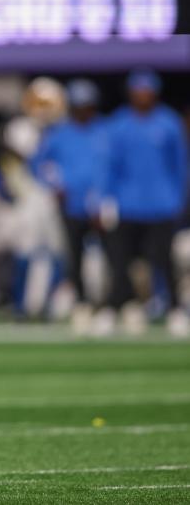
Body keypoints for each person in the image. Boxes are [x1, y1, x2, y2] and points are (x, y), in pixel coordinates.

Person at [99, 69, 189, 336]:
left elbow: (179, 165)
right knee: (120, 261)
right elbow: (109, 166)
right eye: (139, 91)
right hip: (127, 204)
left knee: (164, 261)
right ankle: (114, 308)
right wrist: (106, 200)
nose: (143, 96)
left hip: (161, 204)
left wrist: (178, 199)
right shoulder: (119, 124)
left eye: (147, 91)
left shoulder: (169, 123)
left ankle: (175, 310)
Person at [33, 79, 109, 320]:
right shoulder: (59, 134)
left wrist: (108, 198)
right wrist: (55, 185)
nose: (82, 112)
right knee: (74, 256)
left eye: (86, 106)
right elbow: (39, 165)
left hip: (103, 206)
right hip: (71, 205)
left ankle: (110, 303)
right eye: (78, 106)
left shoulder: (106, 131)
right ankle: (81, 302)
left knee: (111, 255)